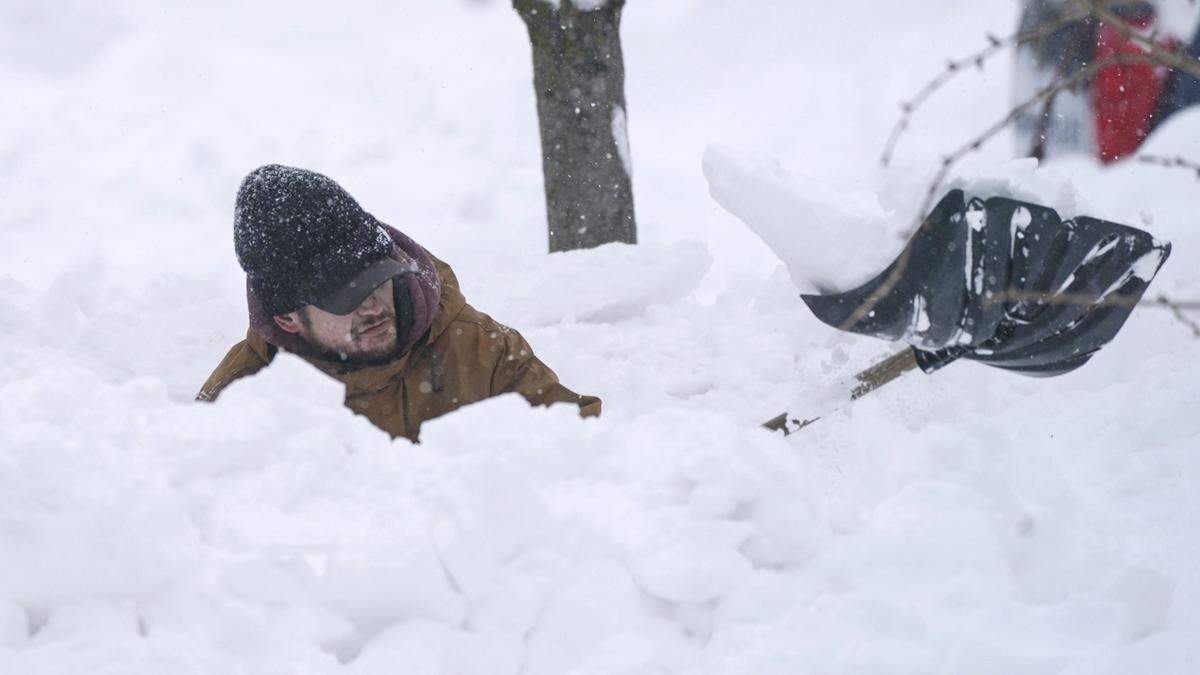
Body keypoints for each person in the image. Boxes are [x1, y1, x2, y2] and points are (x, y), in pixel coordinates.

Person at [197, 165, 601, 441]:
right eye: (345, 299)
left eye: (377, 281)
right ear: (288, 319)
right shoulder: (241, 400)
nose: (373, 306)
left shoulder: (478, 351)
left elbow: (591, 451)